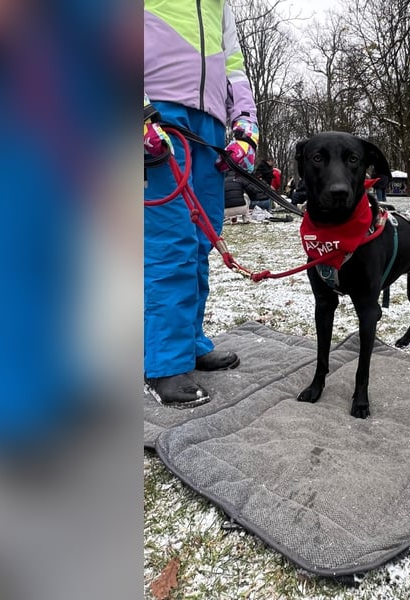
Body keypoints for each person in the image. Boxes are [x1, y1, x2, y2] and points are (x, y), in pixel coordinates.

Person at [144, 0, 259, 406]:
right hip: (158, 113)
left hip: (209, 124)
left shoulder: (220, 5)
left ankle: (188, 342)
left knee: (200, 241)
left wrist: (246, 124)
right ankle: (163, 362)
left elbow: (233, 61)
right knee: (168, 242)